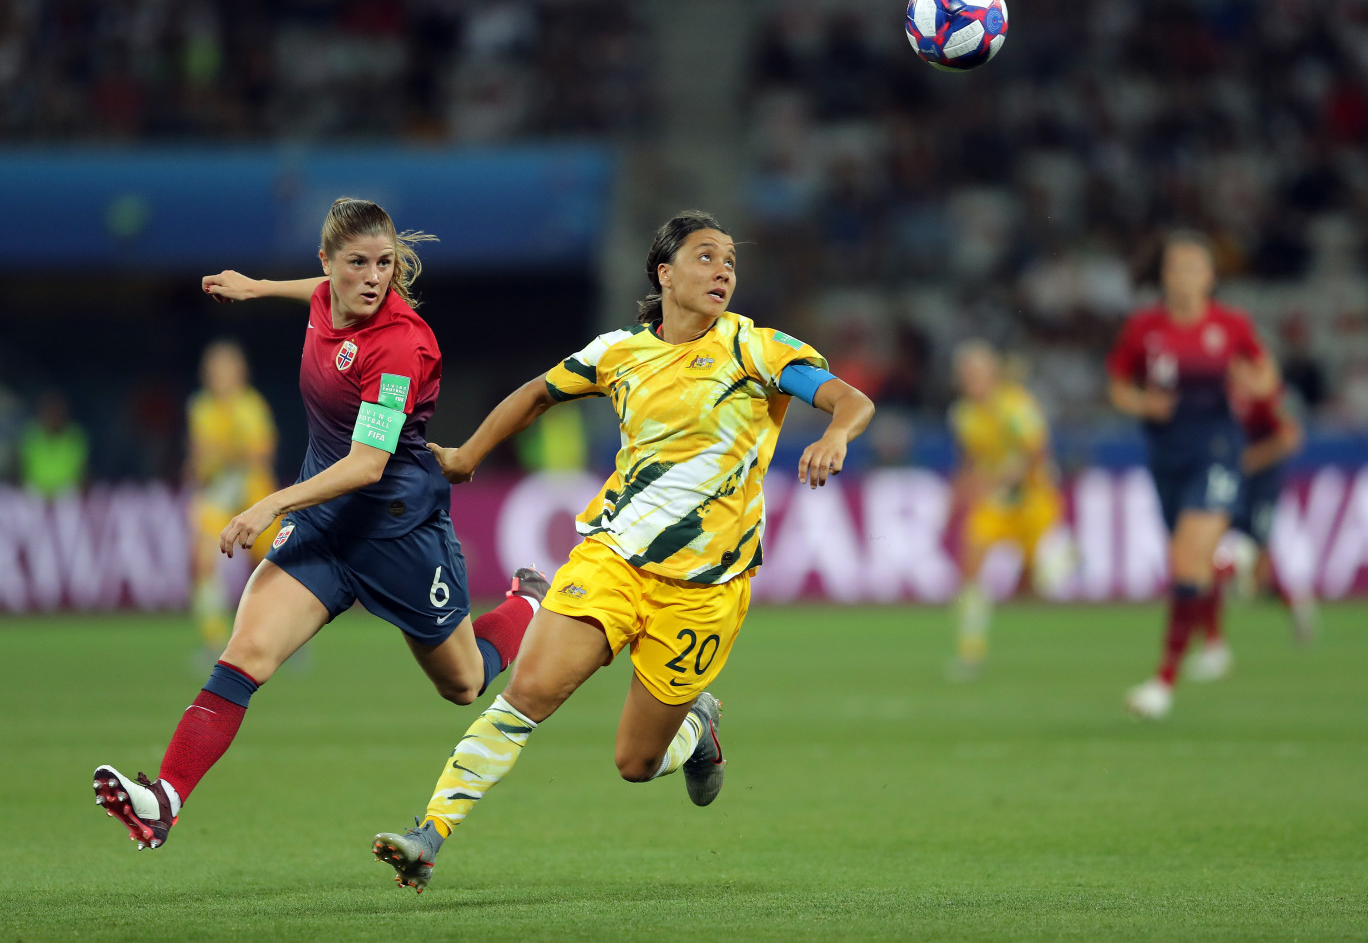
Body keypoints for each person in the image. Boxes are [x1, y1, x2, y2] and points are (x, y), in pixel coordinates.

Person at [369, 210, 875, 893]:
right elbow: (536, 393)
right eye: (705, 256)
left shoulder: (757, 349)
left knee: (636, 762)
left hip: (705, 588)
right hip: (613, 558)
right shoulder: (618, 352)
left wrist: (836, 433)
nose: (724, 269)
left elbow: (849, 398)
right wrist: (465, 455)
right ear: (665, 273)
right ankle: (429, 833)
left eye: (730, 260)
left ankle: (697, 730)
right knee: (527, 694)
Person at [92, 197, 543, 850]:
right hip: (325, 528)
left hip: (399, 534)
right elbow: (318, 292)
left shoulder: (401, 346)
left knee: (465, 683)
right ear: (327, 263)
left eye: (385, 264)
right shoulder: (329, 296)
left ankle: (528, 602)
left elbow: (365, 465)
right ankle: (164, 797)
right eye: (357, 262)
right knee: (244, 653)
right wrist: (258, 287)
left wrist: (272, 502)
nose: (372, 278)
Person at [1108, 231, 1274, 720]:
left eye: (1193, 267)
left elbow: (1265, 377)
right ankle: (1228, 570)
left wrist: (1254, 382)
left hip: (1218, 448)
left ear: (1210, 276)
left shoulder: (1231, 324)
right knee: (1191, 566)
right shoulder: (1143, 329)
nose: (1184, 276)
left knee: (1184, 559)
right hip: (1167, 454)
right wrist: (1142, 403)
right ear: (1164, 276)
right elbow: (1118, 386)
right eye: (1175, 267)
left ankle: (1162, 682)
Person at [946, 340, 1065, 678]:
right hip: (995, 502)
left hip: (1032, 500)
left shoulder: (1016, 406)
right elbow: (969, 460)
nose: (970, 379)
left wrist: (1009, 475)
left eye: (977, 372)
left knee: (1034, 585)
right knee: (970, 571)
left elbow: (1037, 451)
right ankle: (970, 653)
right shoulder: (963, 414)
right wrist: (959, 494)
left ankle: (1069, 557)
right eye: (965, 374)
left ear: (993, 374)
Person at [1202, 379, 1314, 660]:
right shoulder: (1217, 394)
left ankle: (1295, 606)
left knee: (1257, 581)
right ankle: (1214, 644)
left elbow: (1291, 439)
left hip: (1263, 489)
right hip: (1230, 486)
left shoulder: (1266, 397)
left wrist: (1251, 460)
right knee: (1208, 556)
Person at [186, 341, 279, 652]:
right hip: (220, 488)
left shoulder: (251, 406)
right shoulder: (200, 407)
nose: (218, 377)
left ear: (240, 373)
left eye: (225, 370)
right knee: (202, 562)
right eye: (213, 371)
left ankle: (281, 633)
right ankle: (214, 642)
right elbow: (200, 461)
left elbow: (260, 456)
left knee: (271, 565)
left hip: (254, 490)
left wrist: (219, 453)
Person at [18, 390, 88, 498]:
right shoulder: (31, 435)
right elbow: (21, 468)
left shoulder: (75, 436)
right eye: (49, 412)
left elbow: (81, 472)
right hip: (35, 493)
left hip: (66, 494)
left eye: (56, 412)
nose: (53, 416)